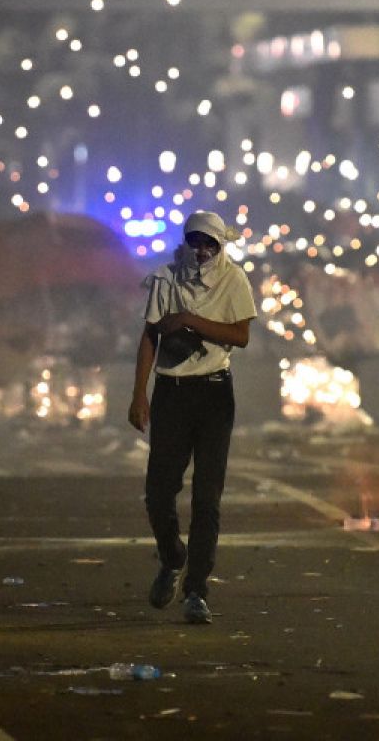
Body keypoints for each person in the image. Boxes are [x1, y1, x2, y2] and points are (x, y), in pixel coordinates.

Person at [128, 211, 257, 624]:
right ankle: (172, 556)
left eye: (210, 244)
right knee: (159, 491)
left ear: (221, 247)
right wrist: (139, 395)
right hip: (172, 394)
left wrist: (188, 321)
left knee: (207, 497)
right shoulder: (166, 279)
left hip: (215, 394)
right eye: (195, 242)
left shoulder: (233, 279)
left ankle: (196, 590)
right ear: (185, 242)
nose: (202, 251)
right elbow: (150, 335)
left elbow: (240, 335)